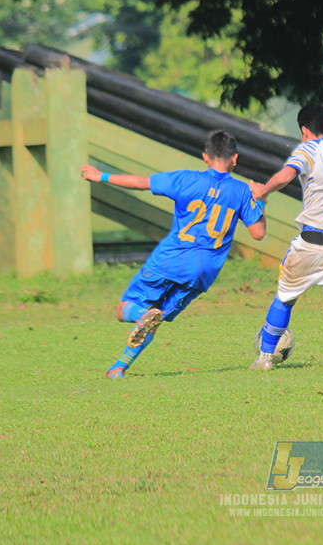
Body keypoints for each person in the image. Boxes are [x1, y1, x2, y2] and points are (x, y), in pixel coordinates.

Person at [80, 130, 266, 379]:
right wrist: (261, 200)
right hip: (203, 272)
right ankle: (118, 369)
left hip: (170, 260)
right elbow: (258, 233)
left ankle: (139, 316)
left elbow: (141, 183)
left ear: (205, 157)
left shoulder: (186, 179)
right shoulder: (243, 192)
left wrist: (100, 175)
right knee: (154, 319)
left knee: (124, 309)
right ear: (235, 158)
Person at [248, 103, 323, 371]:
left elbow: (286, 175)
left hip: (312, 239)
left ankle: (265, 358)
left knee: (285, 297)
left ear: (305, 131)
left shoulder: (308, 149)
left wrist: (263, 192)